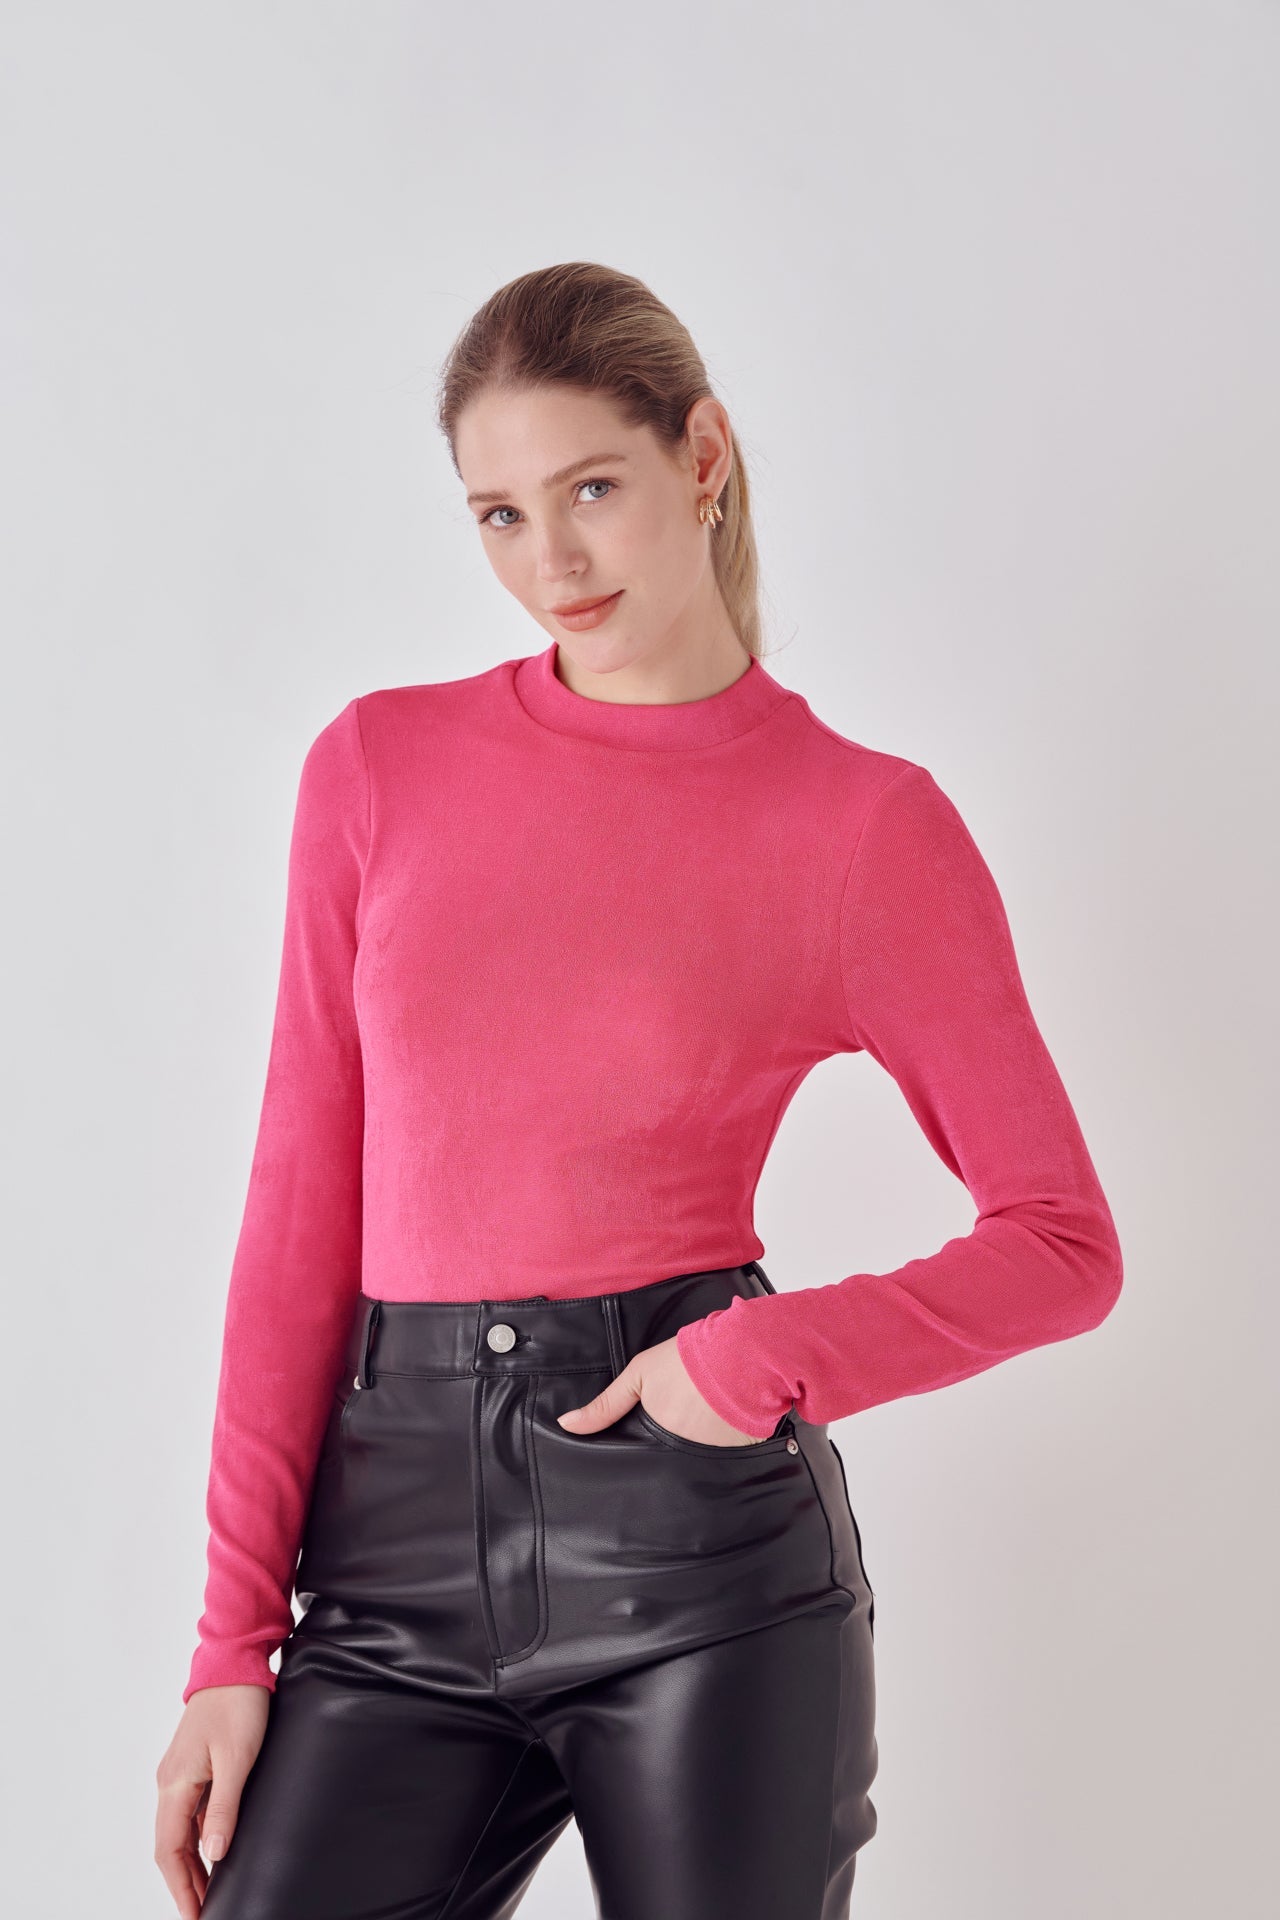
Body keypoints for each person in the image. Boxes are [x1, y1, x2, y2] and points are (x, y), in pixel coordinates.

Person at [153, 261, 1123, 1920]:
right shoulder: (379, 768)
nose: (553, 562)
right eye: (501, 515)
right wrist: (231, 1644)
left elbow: (1061, 1242)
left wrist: (760, 1356)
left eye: (591, 489)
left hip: (697, 1559)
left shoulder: (862, 830)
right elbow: (297, 1222)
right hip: (385, 1571)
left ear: (704, 454)